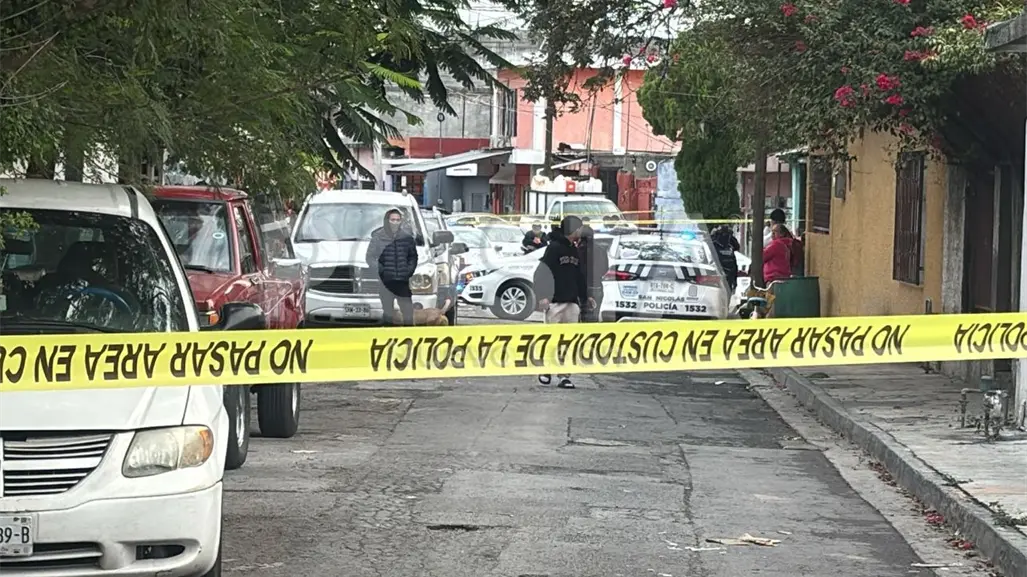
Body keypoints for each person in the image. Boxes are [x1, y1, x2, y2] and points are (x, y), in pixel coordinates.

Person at [533, 215, 592, 389]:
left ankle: (564, 375)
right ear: (573, 230)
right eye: (579, 228)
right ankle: (546, 369)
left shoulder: (574, 250)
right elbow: (540, 273)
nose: (581, 232)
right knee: (552, 339)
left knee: (568, 341)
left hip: (572, 303)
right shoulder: (554, 249)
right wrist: (542, 296)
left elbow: (578, 276)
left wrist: (585, 296)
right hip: (555, 302)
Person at [366, 208, 418, 326]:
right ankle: (389, 338)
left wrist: (408, 271)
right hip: (386, 283)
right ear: (387, 220)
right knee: (388, 315)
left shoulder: (407, 237)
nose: (395, 222)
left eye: (398, 220)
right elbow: (370, 257)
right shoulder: (378, 237)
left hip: (402, 282)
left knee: (408, 314)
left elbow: (413, 257)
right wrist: (381, 271)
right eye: (393, 220)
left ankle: (409, 338)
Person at [577, 225, 608, 322]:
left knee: (582, 317)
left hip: (582, 287)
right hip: (597, 286)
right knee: (594, 315)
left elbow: (577, 269)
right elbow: (605, 269)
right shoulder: (601, 249)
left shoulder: (578, 250)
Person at [711, 224, 740, 293]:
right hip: (720, 266)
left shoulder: (729, 240)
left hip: (728, 266)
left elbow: (737, 247)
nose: (724, 236)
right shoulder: (715, 241)